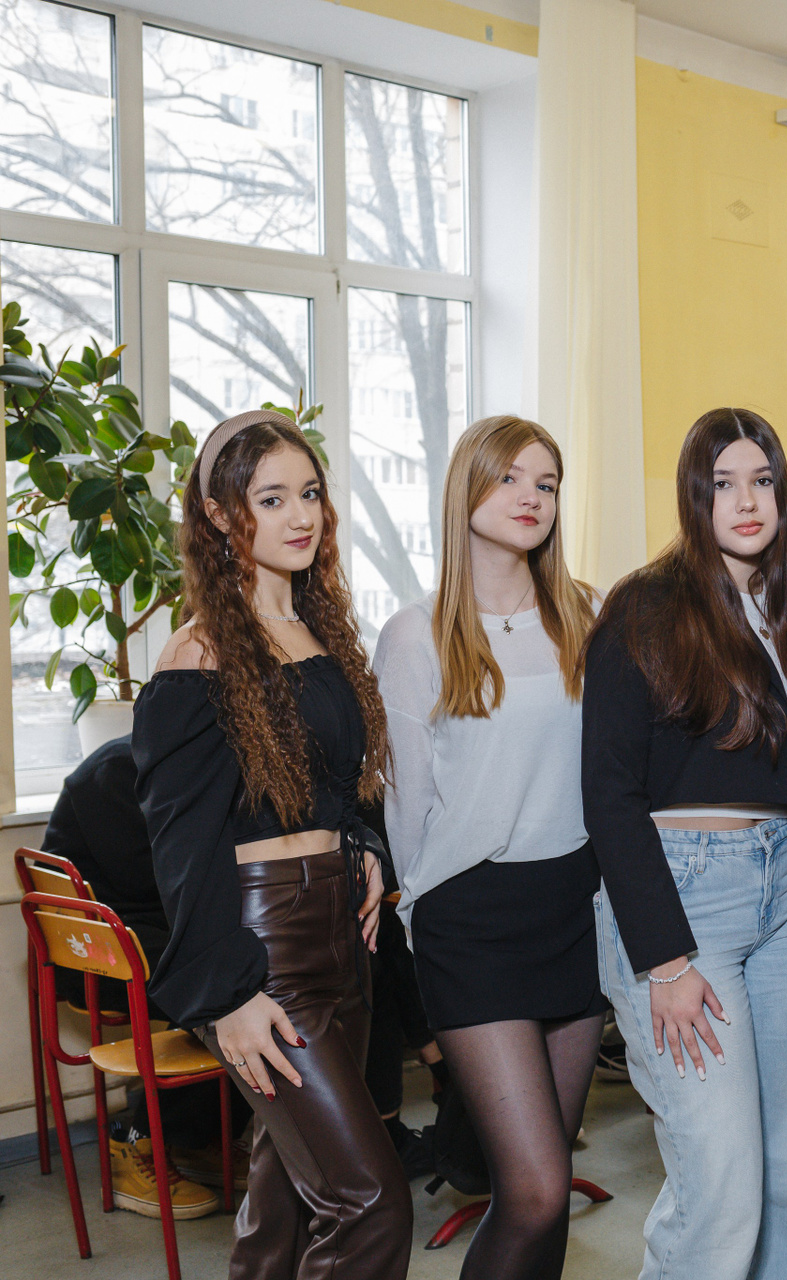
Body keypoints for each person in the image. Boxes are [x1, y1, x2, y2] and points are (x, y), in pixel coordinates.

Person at [133, 409, 410, 1277]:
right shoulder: (200, 656)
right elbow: (182, 849)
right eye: (272, 498)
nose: (301, 516)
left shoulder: (321, 634)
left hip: (344, 935)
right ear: (221, 516)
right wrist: (229, 995)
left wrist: (364, 846)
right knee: (370, 1201)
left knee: (286, 1197)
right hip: (266, 950)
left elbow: (333, 786)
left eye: (311, 494)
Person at [584, 407, 787, 1280]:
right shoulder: (645, 607)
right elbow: (608, 794)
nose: (747, 501)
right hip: (684, 900)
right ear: (696, 496)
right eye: (724, 484)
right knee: (721, 1187)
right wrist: (664, 960)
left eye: (763, 481)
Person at [373, 414, 604, 1278]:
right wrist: (419, 921)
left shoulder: (585, 617)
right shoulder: (416, 635)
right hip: (470, 917)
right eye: (509, 477)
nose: (530, 497)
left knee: (545, 1194)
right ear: (465, 488)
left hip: (573, 905)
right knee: (536, 1189)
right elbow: (407, 808)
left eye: (546, 484)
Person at [41, 735, 229, 1219]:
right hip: (96, 958)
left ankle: (191, 1138)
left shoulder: (157, 762)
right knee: (229, 978)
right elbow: (158, 880)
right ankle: (136, 1140)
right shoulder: (118, 773)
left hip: (126, 935)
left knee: (243, 968)